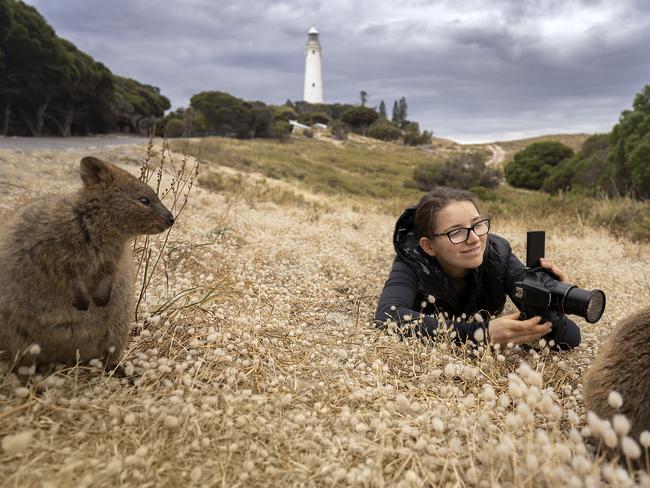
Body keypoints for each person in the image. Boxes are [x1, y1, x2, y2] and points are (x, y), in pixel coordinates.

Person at [374, 186, 580, 349]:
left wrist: (551, 300)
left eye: (477, 224)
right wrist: (479, 334)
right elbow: (388, 316)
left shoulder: (498, 253)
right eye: (456, 232)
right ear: (429, 246)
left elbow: (570, 339)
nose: (474, 239)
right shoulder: (411, 259)